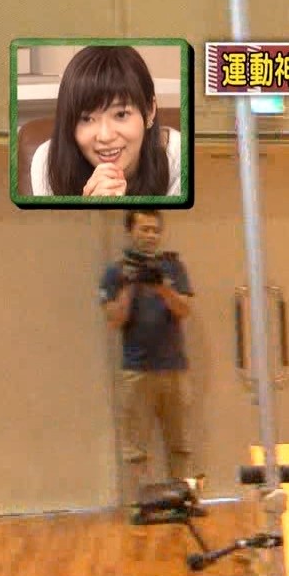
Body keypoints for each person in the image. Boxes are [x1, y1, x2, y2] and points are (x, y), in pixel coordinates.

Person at [99, 210, 196, 506]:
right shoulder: (115, 273)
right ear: (131, 232)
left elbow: (184, 310)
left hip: (174, 368)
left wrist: (162, 287)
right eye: (144, 229)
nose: (151, 235)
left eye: (155, 230)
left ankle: (182, 501)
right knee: (136, 446)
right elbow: (114, 320)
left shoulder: (173, 267)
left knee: (180, 443)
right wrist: (130, 285)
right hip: (137, 370)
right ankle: (141, 504)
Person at [30, 45, 182, 197]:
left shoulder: (180, 158)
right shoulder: (48, 163)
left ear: (150, 111)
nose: (105, 136)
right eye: (87, 119)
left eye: (121, 114)